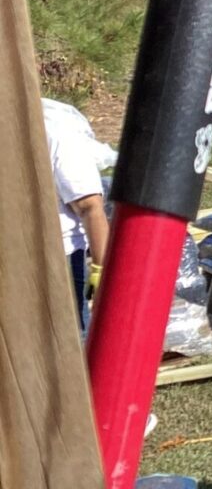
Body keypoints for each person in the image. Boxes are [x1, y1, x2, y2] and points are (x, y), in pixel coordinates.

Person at [44, 97, 116, 331]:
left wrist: (100, 268)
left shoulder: (54, 132)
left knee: (68, 339)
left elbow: (89, 206)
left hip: (55, 259)